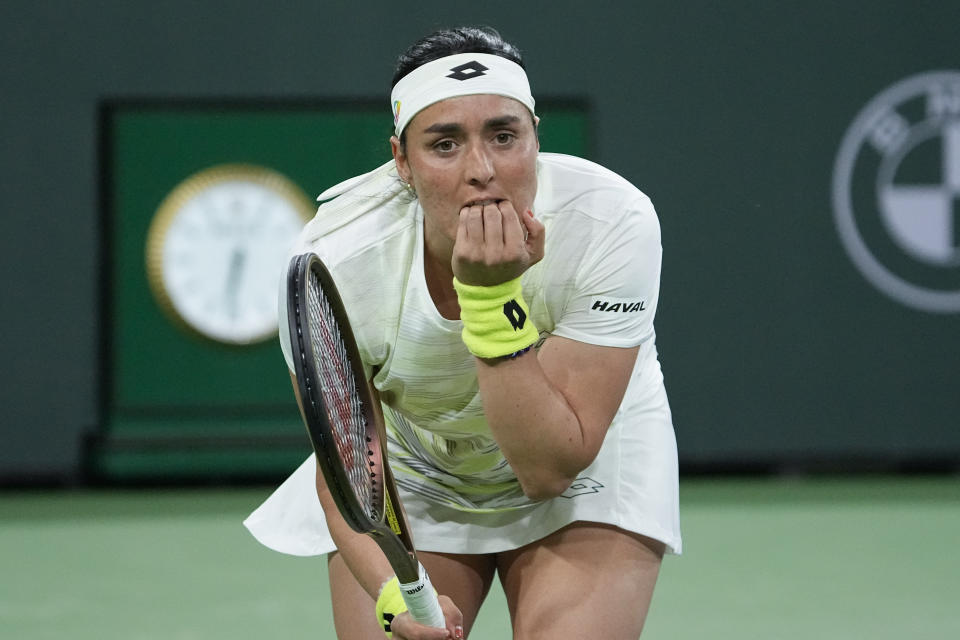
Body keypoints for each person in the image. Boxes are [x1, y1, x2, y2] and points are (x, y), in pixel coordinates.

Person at [245, 25, 681, 640]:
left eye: (505, 136)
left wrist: (490, 297)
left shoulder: (611, 224)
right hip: (410, 471)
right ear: (401, 162)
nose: (483, 170)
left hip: (581, 456)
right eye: (444, 144)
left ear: (535, 137)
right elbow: (343, 463)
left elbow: (549, 469)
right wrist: (392, 592)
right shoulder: (333, 262)